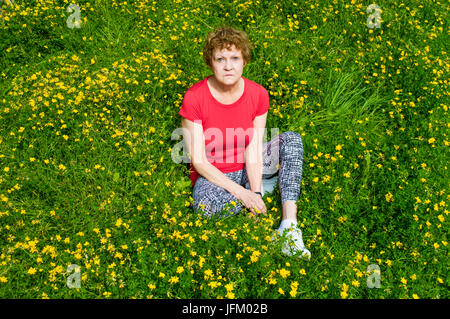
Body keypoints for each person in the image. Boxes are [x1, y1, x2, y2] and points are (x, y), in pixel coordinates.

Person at [178, 27, 310, 259]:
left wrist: (254, 190)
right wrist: (244, 194)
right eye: (220, 59)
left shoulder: (258, 94)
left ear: (244, 61)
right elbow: (198, 161)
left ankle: (289, 226)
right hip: (214, 175)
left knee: (292, 140)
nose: (228, 66)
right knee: (204, 209)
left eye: (235, 58)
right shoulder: (194, 98)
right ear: (210, 63)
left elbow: (254, 149)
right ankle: (266, 190)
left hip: (249, 166)